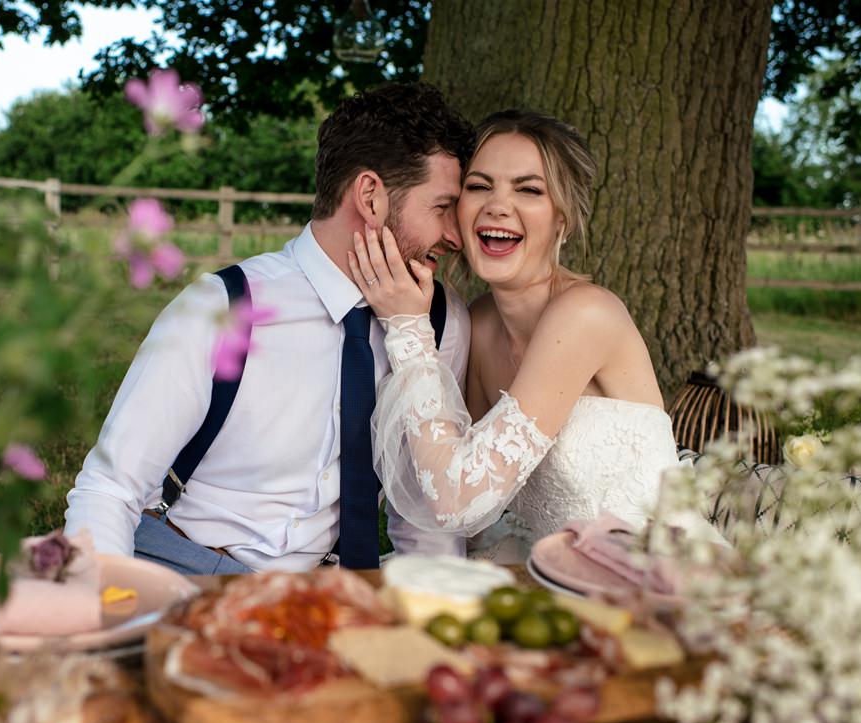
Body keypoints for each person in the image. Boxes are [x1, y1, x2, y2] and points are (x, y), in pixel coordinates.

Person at [63, 83, 475, 574]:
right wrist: (112, 611)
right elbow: (111, 487)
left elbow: (425, 512)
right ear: (370, 197)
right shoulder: (222, 306)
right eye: (442, 207)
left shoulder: (440, 321)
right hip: (186, 566)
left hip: (329, 592)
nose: (455, 235)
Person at [348, 109, 680, 562]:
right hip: (560, 574)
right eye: (479, 186)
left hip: (655, 580)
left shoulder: (587, 315)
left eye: (529, 190)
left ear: (562, 217)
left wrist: (408, 329)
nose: (497, 206)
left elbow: (457, 501)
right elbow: (444, 475)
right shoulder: (478, 323)